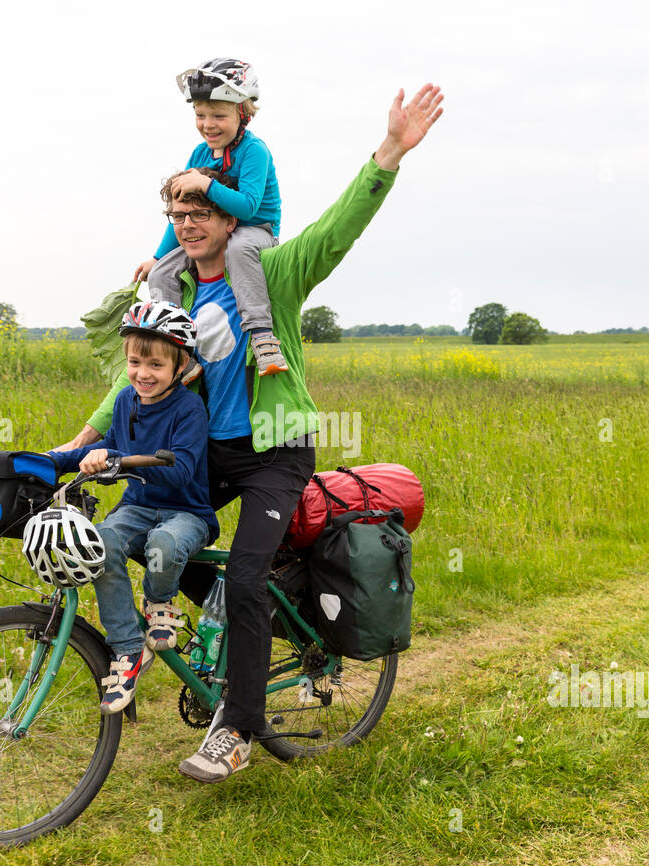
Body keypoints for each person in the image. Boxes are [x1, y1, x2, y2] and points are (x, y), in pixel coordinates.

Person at [72, 83, 444, 780]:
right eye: (178, 211)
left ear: (230, 219)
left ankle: (237, 728)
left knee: (243, 577)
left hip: (274, 454)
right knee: (156, 537)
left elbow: (337, 231)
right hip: (206, 453)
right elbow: (140, 374)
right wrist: (83, 439)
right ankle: (218, 630)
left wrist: (388, 154)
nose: (187, 222)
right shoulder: (173, 292)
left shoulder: (268, 272)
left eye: (201, 210)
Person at [47, 302, 218, 715]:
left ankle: (160, 603)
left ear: (181, 367)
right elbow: (104, 448)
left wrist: (119, 460)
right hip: (137, 507)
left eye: (156, 364)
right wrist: (52, 460)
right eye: (135, 362)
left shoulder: (189, 409)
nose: (143, 373)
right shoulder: (126, 401)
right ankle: (127, 650)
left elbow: (180, 470)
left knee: (162, 542)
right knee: (99, 541)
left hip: (186, 513)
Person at [131, 58, 290, 378]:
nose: (208, 124)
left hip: (254, 228)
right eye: (200, 115)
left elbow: (246, 207)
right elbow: (182, 212)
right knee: (162, 274)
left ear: (243, 114)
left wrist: (206, 183)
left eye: (219, 115)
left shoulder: (254, 151)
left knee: (238, 249)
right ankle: (180, 351)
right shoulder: (199, 155)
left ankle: (262, 336)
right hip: (210, 230)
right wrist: (157, 256)